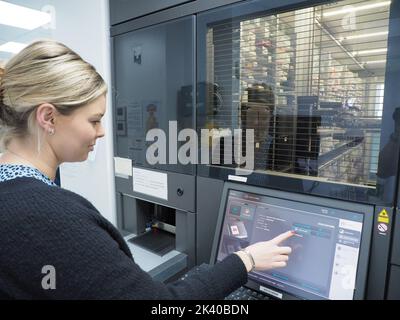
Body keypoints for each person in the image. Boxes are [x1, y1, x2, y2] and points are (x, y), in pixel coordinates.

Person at [0, 40, 294, 299]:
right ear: (48, 118)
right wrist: (246, 260)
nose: (102, 132)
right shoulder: (49, 216)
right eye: (93, 120)